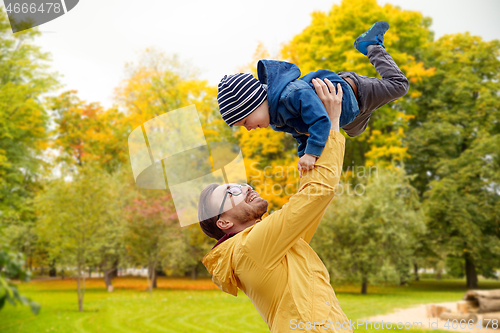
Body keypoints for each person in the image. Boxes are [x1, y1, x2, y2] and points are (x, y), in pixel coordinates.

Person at [198, 79, 353, 332]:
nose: (246, 187)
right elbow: (318, 193)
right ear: (224, 222)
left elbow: (311, 199)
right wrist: (332, 124)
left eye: (241, 183)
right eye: (232, 191)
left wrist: (310, 144)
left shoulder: (273, 244)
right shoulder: (250, 247)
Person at [217, 21, 408, 176]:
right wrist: (305, 161)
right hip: (352, 116)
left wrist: (311, 154)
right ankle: (376, 102)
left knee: (399, 85)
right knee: (355, 133)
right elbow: (301, 135)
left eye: (245, 121)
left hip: (356, 93)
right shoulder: (276, 120)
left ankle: (371, 45)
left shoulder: (292, 94)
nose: (248, 128)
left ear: (255, 102)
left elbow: (319, 120)